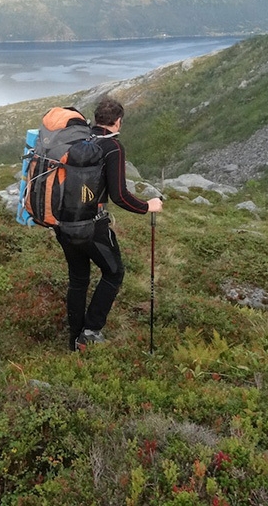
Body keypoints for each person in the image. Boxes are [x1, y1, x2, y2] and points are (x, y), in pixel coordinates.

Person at [55, 96, 163, 351]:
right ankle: (91, 330)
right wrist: (148, 206)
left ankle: (74, 339)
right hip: (92, 226)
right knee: (114, 272)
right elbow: (120, 196)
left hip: (63, 224)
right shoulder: (113, 148)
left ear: (95, 120)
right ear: (117, 122)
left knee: (78, 278)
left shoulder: (78, 140)